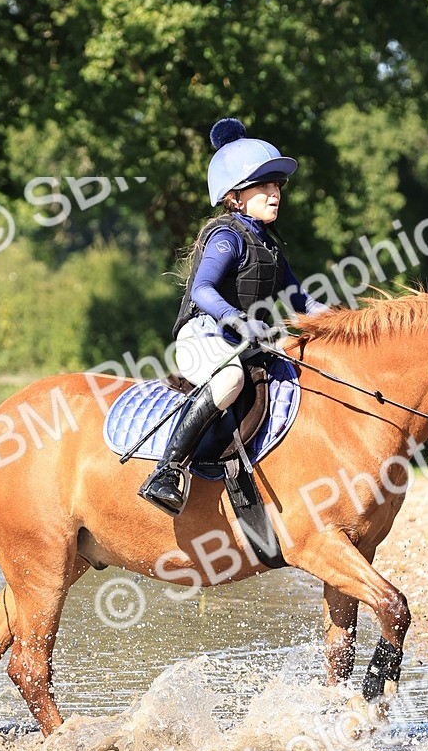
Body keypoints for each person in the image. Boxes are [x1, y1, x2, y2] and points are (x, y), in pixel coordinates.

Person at [139, 116, 326, 516]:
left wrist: (348, 326)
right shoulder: (227, 236)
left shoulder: (270, 246)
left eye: (277, 185)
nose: (275, 193)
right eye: (264, 186)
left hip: (241, 341)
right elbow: (203, 290)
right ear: (235, 196)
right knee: (231, 378)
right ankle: (166, 471)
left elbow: (301, 301)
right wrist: (239, 321)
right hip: (203, 338)